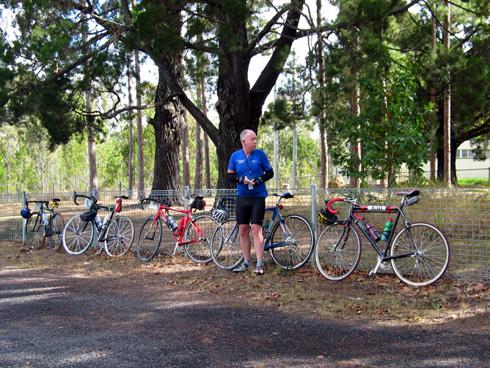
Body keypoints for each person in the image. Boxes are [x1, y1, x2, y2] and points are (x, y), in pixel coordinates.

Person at [227, 129, 274, 275]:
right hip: (242, 197)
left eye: (255, 139)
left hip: (258, 197)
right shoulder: (235, 156)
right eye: (252, 139)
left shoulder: (260, 154)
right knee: (242, 230)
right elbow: (230, 175)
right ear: (244, 142)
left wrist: (259, 180)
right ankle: (246, 261)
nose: (255, 141)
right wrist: (240, 180)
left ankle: (260, 264)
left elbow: (270, 172)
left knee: (256, 229)